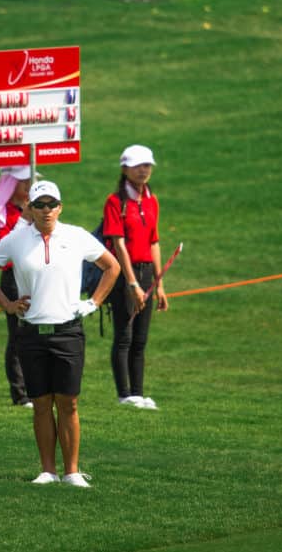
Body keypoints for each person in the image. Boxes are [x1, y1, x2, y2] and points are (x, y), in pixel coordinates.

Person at [0, 181, 119, 487]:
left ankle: (72, 472)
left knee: (68, 403)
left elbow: (112, 267)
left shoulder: (76, 236)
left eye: (51, 204)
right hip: (31, 333)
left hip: (68, 331)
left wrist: (94, 302)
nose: (46, 210)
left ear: (60, 207)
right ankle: (48, 470)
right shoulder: (16, 239)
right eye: (39, 205)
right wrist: (8, 305)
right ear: (30, 208)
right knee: (41, 404)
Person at [104, 144, 169, 410]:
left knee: (141, 338)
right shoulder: (115, 202)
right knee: (124, 336)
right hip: (124, 276)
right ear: (125, 169)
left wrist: (159, 284)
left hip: (146, 275)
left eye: (147, 165)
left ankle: (139, 394)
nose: (144, 170)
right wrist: (131, 283)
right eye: (139, 165)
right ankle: (125, 394)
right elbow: (118, 245)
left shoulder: (151, 200)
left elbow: (154, 242)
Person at [0, 165, 34, 407]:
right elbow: (3, 247)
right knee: (18, 335)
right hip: (13, 276)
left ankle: (36, 388)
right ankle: (20, 393)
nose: (28, 186)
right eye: (24, 183)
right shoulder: (0, 214)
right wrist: (24, 221)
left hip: (34, 274)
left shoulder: (31, 210)